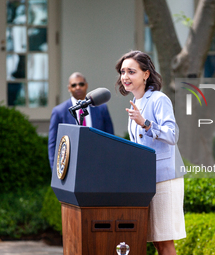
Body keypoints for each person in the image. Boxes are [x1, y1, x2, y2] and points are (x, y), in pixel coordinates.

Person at [115, 50, 186, 255]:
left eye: (131, 71)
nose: (125, 77)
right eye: (122, 72)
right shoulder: (136, 103)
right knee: (155, 242)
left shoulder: (158, 99)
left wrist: (145, 123)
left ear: (146, 74)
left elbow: (172, 135)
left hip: (165, 179)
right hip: (146, 180)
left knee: (164, 242)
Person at [48, 72, 114, 170]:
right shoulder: (59, 111)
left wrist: (109, 162)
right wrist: (56, 170)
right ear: (69, 88)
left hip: (97, 163)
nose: (78, 87)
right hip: (70, 165)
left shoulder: (101, 108)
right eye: (74, 85)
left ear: (86, 85)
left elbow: (110, 137)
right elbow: (53, 143)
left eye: (81, 84)